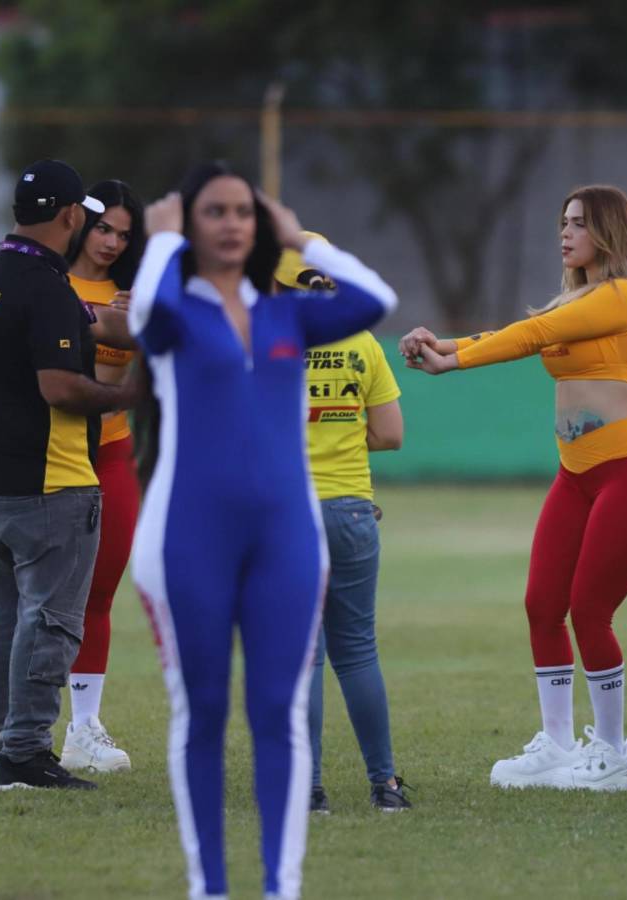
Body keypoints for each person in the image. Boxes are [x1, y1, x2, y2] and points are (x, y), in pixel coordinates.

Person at [129, 163, 397, 900]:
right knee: (203, 712)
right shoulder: (178, 312)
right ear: (191, 225)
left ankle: (281, 887)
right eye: (213, 211)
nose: (230, 223)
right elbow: (143, 318)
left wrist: (300, 239)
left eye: (242, 212)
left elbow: (378, 299)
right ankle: (208, 886)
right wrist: (157, 241)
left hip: (288, 539)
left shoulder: (290, 316)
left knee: (277, 714)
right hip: (188, 537)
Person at [399, 184, 627, 792]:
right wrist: (445, 347)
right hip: (577, 477)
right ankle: (555, 744)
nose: (565, 232)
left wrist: (450, 358)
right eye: (563, 221)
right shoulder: (578, 300)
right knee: (542, 605)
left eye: (577, 222)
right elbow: (529, 332)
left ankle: (610, 758)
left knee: (590, 611)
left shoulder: (625, 295)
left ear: (607, 230)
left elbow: (528, 336)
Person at [0, 159, 138, 792]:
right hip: (47, 483)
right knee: (51, 622)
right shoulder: (48, 286)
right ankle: (27, 754)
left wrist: (114, 324)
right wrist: (132, 393)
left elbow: (66, 329)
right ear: (68, 217)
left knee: (0, 622)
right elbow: (58, 386)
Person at [272, 234, 410, 814]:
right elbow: (390, 434)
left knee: (302, 656)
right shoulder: (361, 340)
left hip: (286, 513)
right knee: (358, 651)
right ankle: (385, 786)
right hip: (351, 508)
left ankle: (309, 790)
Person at [59, 179, 146, 773]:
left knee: (100, 591)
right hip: (51, 454)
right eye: (103, 229)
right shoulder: (45, 282)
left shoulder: (136, 297)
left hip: (114, 451)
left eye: (123, 234)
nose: (112, 242)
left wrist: (142, 320)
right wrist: (104, 322)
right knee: (34, 595)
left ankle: (83, 727)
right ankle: (15, 723)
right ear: (79, 225)